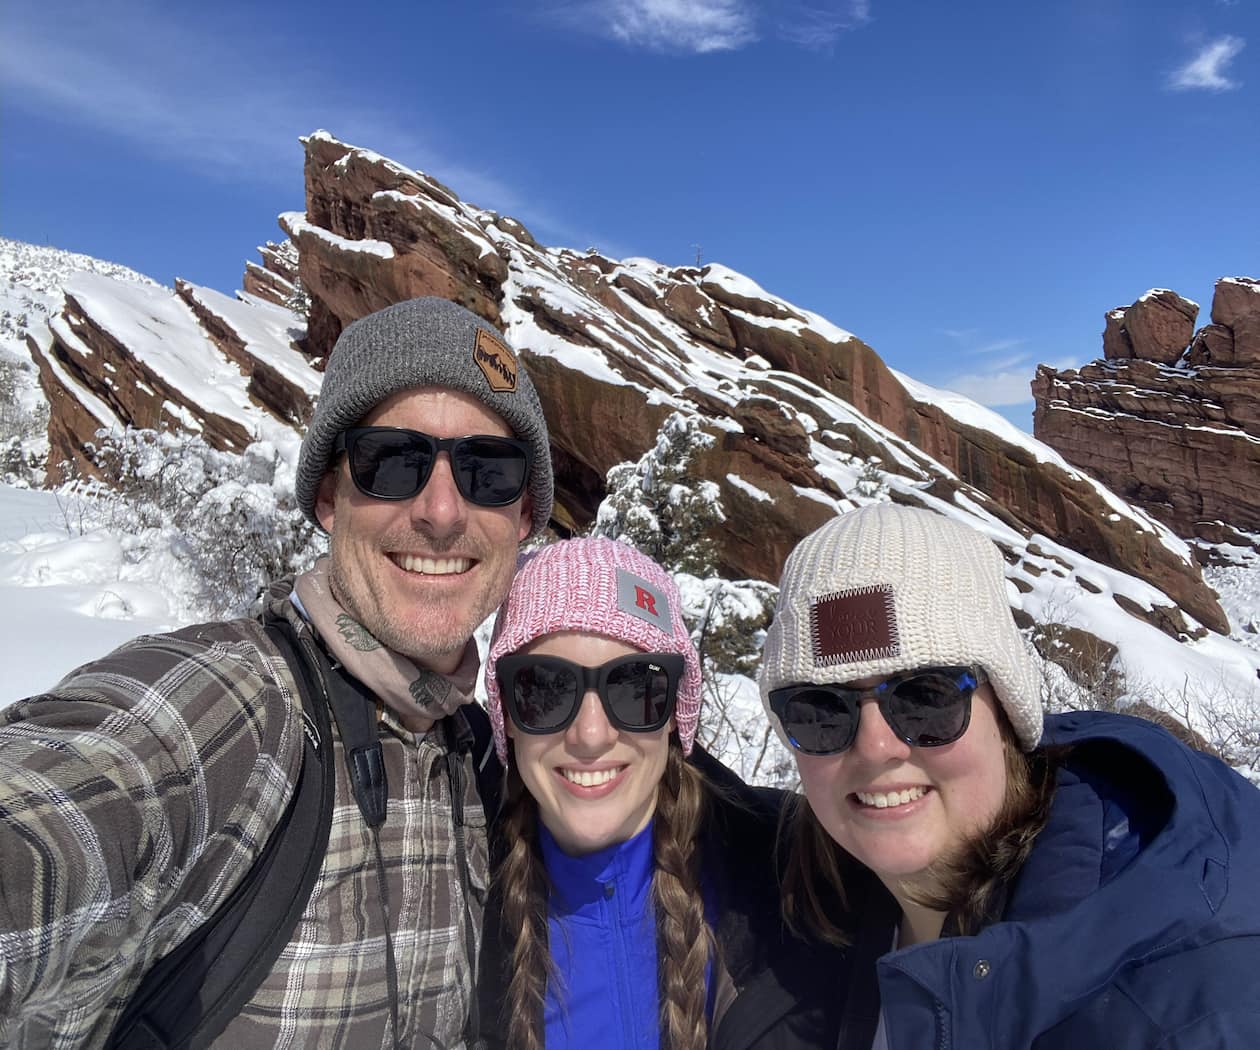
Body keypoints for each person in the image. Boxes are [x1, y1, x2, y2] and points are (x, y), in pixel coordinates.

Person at [0, 297, 553, 1049]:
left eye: (490, 473)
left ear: (523, 518)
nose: (443, 511)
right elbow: (64, 806)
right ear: (328, 496)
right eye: (393, 461)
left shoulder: (484, 757)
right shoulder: (235, 704)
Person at [758, 502, 1260, 1049]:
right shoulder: (821, 915)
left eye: (926, 698)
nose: (876, 747)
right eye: (820, 710)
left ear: (1007, 712)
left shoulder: (1184, 1010)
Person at [476, 536, 844, 1050]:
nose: (591, 735)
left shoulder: (799, 874)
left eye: (633, 689)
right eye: (545, 689)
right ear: (507, 716)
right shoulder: (458, 900)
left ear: (675, 711)